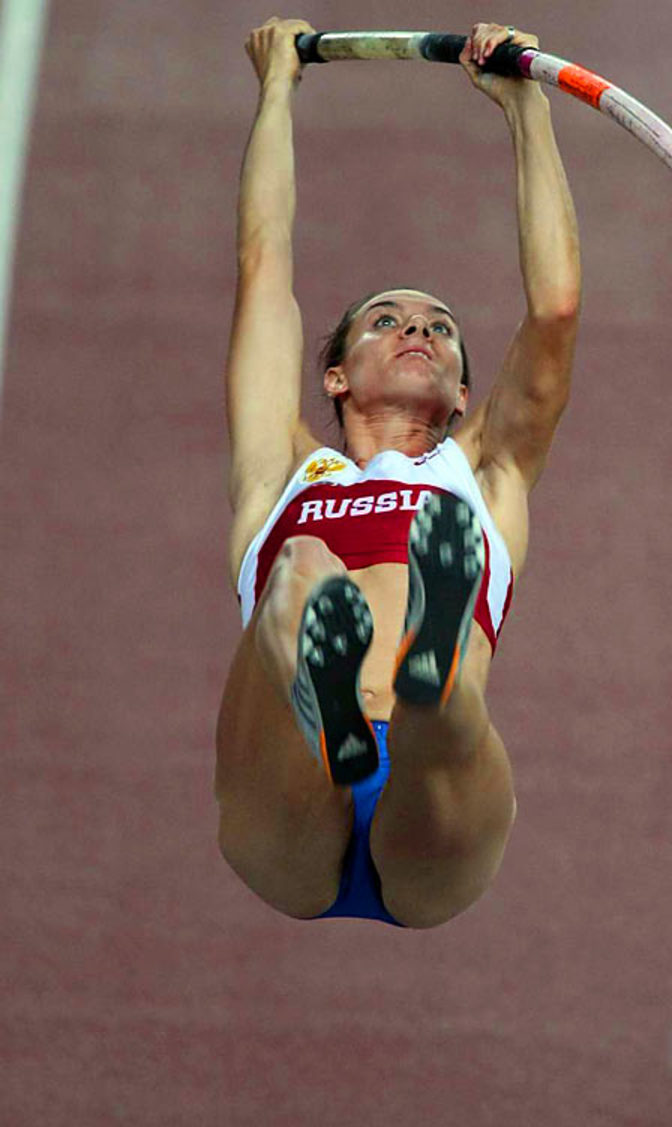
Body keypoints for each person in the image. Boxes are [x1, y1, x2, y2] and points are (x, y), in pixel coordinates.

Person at [214, 16, 581, 930]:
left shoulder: (485, 474)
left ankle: (428, 676)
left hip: (434, 816)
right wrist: (276, 89)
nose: (417, 328)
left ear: (462, 393)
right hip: (285, 793)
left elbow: (554, 309)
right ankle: (334, 705)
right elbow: (264, 266)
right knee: (301, 566)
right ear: (335, 376)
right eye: (386, 320)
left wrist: (526, 108)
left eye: (440, 329)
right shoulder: (280, 473)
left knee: (444, 702)